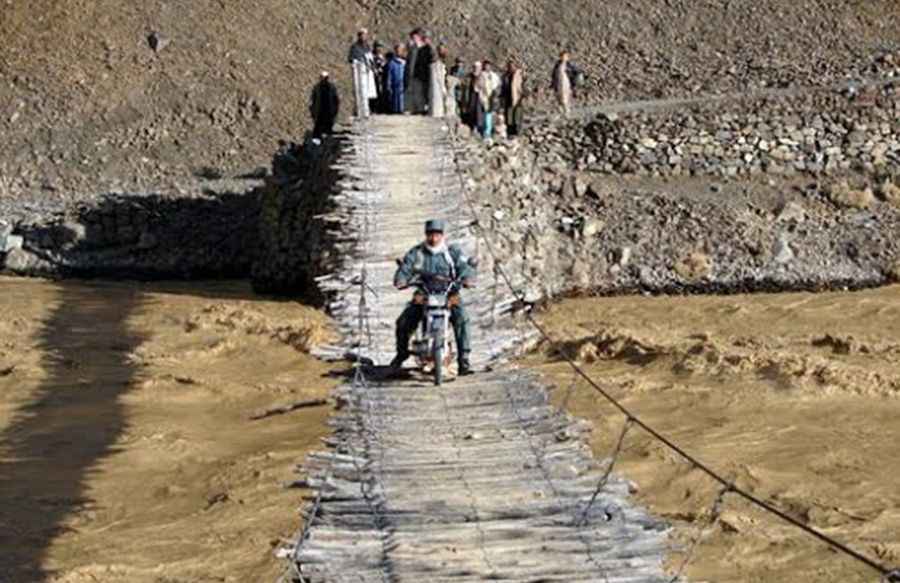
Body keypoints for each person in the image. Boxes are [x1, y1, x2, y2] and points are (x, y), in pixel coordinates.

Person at [391, 219, 475, 376]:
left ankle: (464, 359)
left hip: (449, 294)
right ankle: (401, 353)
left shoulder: (452, 252)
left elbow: (465, 267)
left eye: (437, 234)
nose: (434, 238)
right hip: (424, 294)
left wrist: (468, 279)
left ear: (442, 235)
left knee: (462, 319)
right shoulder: (417, 253)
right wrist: (401, 279)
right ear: (426, 235)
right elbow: (406, 267)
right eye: (430, 234)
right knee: (403, 321)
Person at [347, 28, 376, 117]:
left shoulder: (367, 46)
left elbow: (370, 57)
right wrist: (357, 62)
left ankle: (367, 110)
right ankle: (360, 111)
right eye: (362, 34)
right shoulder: (354, 47)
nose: (364, 36)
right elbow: (351, 59)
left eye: (365, 35)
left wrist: (371, 64)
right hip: (359, 72)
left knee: (367, 92)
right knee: (360, 91)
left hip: (366, 72)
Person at [309, 72, 340, 138]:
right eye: (322, 78)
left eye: (325, 78)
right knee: (319, 128)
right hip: (319, 111)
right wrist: (312, 111)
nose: (324, 80)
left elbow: (336, 100)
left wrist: (335, 110)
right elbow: (313, 99)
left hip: (329, 111)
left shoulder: (332, 88)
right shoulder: (316, 88)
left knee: (328, 128)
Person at [476, 60, 501, 140]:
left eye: (489, 66)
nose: (487, 67)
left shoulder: (494, 75)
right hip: (484, 97)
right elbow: (478, 87)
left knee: (490, 114)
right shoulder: (481, 75)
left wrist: (496, 93)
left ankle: (490, 131)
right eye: (486, 66)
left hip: (492, 97)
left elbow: (498, 84)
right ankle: (486, 132)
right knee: (485, 114)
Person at [501, 60, 526, 137]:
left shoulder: (518, 74)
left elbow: (524, 79)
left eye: (512, 66)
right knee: (509, 116)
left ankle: (518, 132)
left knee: (517, 115)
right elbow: (503, 87)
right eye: (509, 66)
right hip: (508, 97)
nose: (511, 67)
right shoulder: (505, 76)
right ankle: (510, 132)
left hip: (517, 97)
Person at [386, 44, 407, 114]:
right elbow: (389, 75)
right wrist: (388, 84)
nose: (399, 52)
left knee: (402, 97)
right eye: (397, 50)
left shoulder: (404, 63)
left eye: (400, 50)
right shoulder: (392, 63)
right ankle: (395, 110)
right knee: (394, 97)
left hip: (402, 83)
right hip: (394, 84)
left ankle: (402, 109)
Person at [430, 45, 448, 118]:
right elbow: (439, 77)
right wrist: (443, 88)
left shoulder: (440, 63)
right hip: (437, 86)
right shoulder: (437, 64)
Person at [372, 41, 388, 114]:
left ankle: (382, 108)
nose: (379, 48)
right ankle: (375, 108)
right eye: (378, 47)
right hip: (374, 77)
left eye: (380, 47)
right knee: (375, 92)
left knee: (382, 92)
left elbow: (384, 64)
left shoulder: (382, 56)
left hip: (382, 76)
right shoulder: (372, 56)